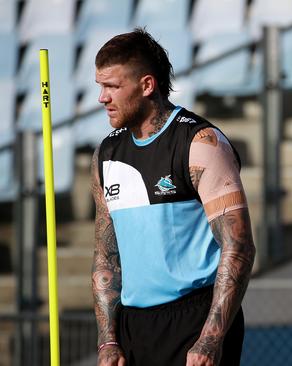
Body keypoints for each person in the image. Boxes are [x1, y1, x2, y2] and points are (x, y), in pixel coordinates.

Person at [90, 28, 256, 366]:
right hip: (133, 327)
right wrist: (108, 340)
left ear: (147, 85)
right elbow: (106, 257)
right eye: (100, 87)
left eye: (113, 87)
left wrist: (210, 340)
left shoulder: (201, 144)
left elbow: (238, 246)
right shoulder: (107, 153)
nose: (102, 98)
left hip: (193, 321)